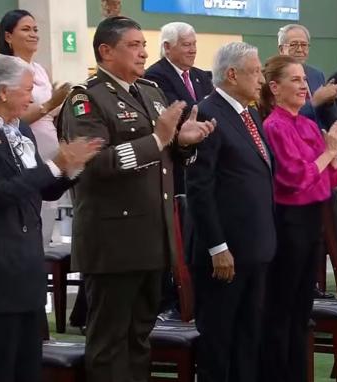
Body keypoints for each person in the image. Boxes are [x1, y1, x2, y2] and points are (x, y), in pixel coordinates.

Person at [58, 17, 214, 382]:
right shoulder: (86, 98)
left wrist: (183, 144)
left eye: (144, 44)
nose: (144, 52)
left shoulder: (150, 91)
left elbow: (165, 158)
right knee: (110, 341)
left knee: (141, 337)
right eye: (133, 45)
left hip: (152, 236)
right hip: (113, 242)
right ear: (105, 51)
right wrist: (157, 140)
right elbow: (91, 166)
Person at [0, 54, 101, 382]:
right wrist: (54, 165)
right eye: (27, 90)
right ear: (4, 92)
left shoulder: (20, 130)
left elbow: (40, 190)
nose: (32, 99)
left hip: (26, 268)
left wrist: (72, 167)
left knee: (27, 367)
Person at [258, 55, 337, 382]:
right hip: (288, 224)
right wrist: (328, 152)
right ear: (275, 87)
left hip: (313, 220)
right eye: (295, 80)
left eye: (304, 79)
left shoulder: (308, 124)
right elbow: (295, 178)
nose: (304, 86)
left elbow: (328, 181)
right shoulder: (274, 125)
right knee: (280, 312)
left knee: (302, 311)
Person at [186, 42, 276, 382]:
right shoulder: (207, 113)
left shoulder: (249, 113)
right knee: (219, 344)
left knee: (247, 339)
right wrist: (217, 247)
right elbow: (198, 188)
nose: (261, 81)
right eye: (255, 72)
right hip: (224, 254)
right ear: (232, 74)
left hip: (255, 249)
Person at [0, 9, 72, 246]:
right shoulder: (6, 68)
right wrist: (51, 103)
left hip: (49, 150)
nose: (33, 34)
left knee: (47, 222)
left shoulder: (39, 69)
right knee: (29, 224)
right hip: (25, 152)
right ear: (8, 36)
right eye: (26, 29)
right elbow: (14, 117)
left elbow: (49, 111)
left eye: (35, 30)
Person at [145, 21, 214, 194]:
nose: (193, 50)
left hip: (205, 162)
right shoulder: (155, 75)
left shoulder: (200, 75)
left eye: (194, 44)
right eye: (186, 45)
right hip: (179, 163)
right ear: (167, 47)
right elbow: (181, 113)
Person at [277, 24, 337, 129]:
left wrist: (329, 101)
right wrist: (315, 101)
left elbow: (330, 118)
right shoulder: (273, 77)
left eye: (304, 45)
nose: (299, 49)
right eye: (294, 44)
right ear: (281, 49)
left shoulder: (317, 75)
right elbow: (280, 118)